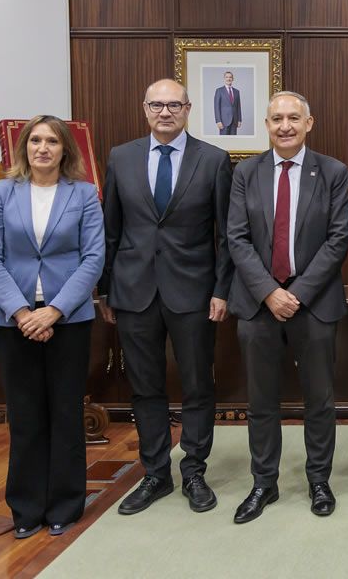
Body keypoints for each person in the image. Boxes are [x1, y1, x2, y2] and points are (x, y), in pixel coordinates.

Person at [100, 79, 233, 517]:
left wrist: (220, 289)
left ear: (188, 109)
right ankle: (155, 473)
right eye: (156, 104)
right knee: (145, 388)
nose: (165, 112)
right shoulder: (121, 157)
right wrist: (105, 290)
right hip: (133, 291)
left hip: (193, 292)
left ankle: (194, 470)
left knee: (198, 385)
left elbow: (225, 235)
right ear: (144, 109)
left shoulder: (212, 160)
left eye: (173, 105)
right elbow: (111, 230)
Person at [0, 115, 105, 539]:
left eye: (52, 141)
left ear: (65, 149)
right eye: (35, 140)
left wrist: (54, 311)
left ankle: (66, 506)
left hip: (67, 320)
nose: (43, 148)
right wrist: (21, 312)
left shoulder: (83, 194)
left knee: (66, 414)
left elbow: (93, 259)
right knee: (26, 416)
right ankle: (26, 508)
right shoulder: (1, 192)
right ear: (24, 148)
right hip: (12, 321)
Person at [226, 90, 348, 524]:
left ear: (309, 123)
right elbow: (236, 238)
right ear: (266, 124)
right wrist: (268, 292)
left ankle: (319, 480)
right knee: (261, 400)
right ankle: (264, 482)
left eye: (293, 118)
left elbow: (338, 240)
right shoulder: (246, 172)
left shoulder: (332, 171)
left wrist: (296, 293)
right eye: (277, 118)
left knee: (320, 399)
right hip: (258, 304)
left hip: (313, 305)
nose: (285, 126)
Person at [214, 71, 243, 135]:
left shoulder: (237, 92)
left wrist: (239, 120)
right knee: (223, 141)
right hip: (223, 121)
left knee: (233, 141)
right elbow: (216, 107)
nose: (228, 79)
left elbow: (238, 107)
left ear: (233, 79)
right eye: (227, 77)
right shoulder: (219, 91)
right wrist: (218, 121)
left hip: (234, 121)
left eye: (230, 77)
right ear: (224, 78)